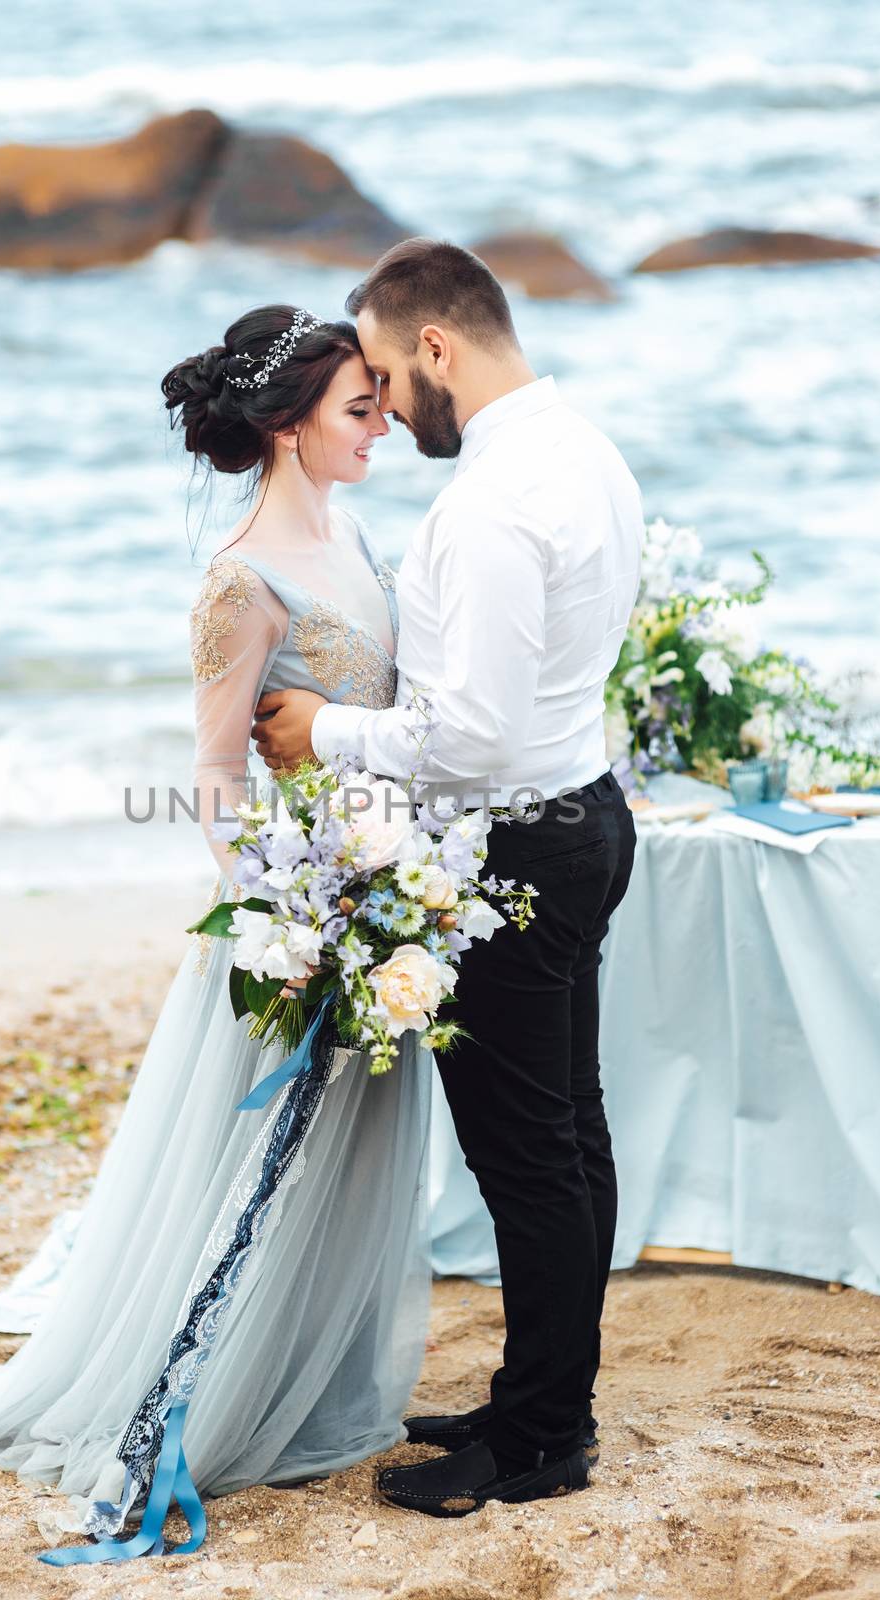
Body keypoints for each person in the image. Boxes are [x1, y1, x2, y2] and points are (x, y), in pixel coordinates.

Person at [0, 306, 434, 1564]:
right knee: (251, 1174)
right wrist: (285, 918)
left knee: (359, 1161)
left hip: (388, 905)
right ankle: (221, 1389)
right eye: (359, 408)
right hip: (297, 928)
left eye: (381, 403)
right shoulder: (239, 580)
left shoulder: (358, 533)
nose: (383, 423)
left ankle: (317, 1380)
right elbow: (217, 776)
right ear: (289, 427)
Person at [251, 239, 644, 1518]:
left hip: (518, 847)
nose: (377, 401)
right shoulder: (583, 447)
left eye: (379, 370)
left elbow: (466, 736)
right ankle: (545, 1401)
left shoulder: (484, 505)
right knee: (567, 1138)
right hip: (584, 813)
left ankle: (539, 1439)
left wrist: (326, 731)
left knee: (530, 1159)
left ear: (436, 349)